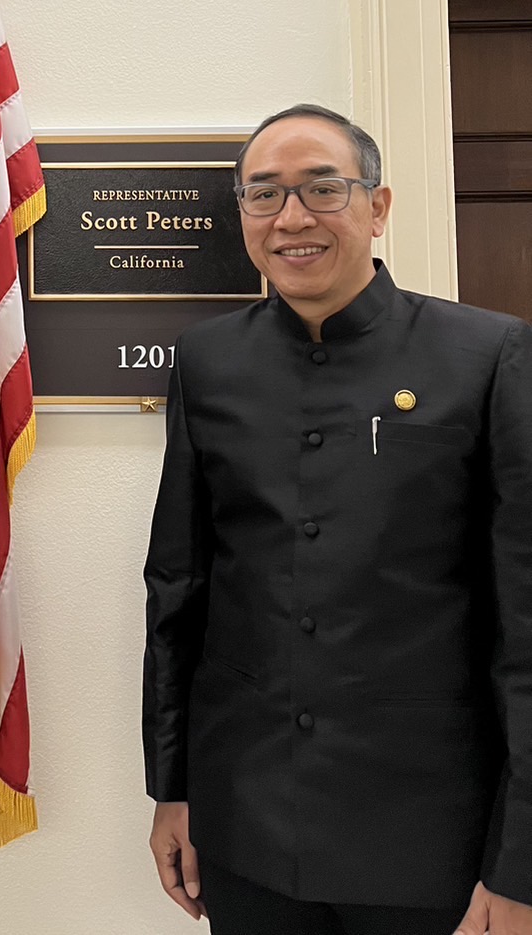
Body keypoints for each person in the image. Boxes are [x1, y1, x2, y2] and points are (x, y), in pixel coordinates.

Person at [143, 103, 532, 935]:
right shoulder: (208, 362)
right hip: (246, 833)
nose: (291, 218)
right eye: (264, 194)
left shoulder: (486, 356)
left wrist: (521, 863)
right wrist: (170, 788)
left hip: (431, 844)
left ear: (377, 206)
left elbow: (525, 630)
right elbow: (178, 588)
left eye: (322, 188)